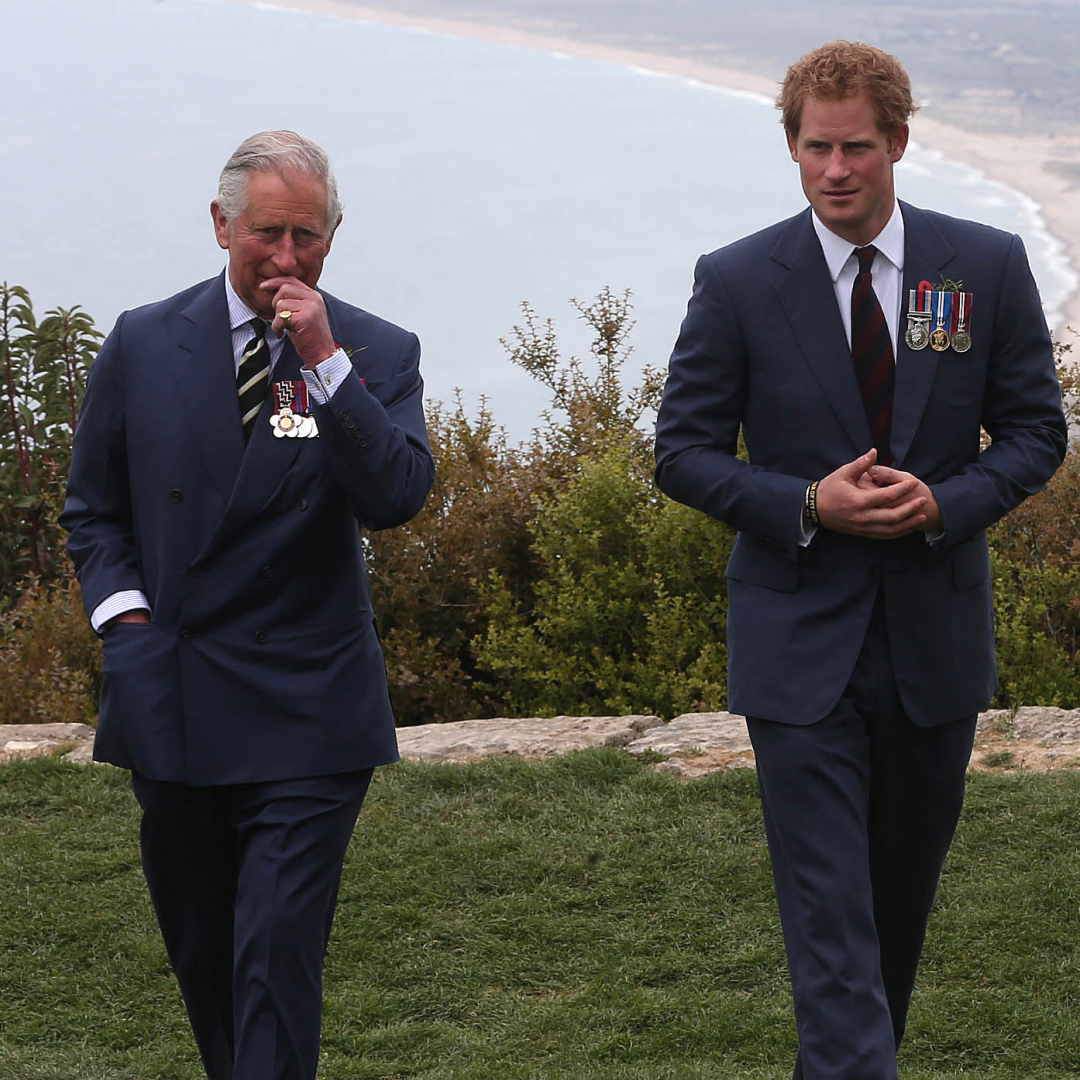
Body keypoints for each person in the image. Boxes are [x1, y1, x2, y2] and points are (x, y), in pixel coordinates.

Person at [654, 41, 1067, 1080]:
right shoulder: (740, 279)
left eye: (856, 149)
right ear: (791, 147)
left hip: (934, 645)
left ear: (899, 143)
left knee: (889, 924)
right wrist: (804, 501)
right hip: (797, 649)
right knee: (830, 918)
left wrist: (946, 503)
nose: (835, 170)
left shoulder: (987, 264)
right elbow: (684, 453)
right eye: (814, 148)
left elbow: (1034, 434)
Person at [61, 130, 434, 1080]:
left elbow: (395, 497)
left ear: (332, 237)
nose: (284, 257)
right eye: (267, 233)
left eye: (307, 236)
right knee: (208, 959)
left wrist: (324, 359)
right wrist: (128, 626)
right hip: (174, 693)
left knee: (274, 954)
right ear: (221, 222)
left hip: (310, 707)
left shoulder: (376, 351)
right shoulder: (144, 341)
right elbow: (94, 509)